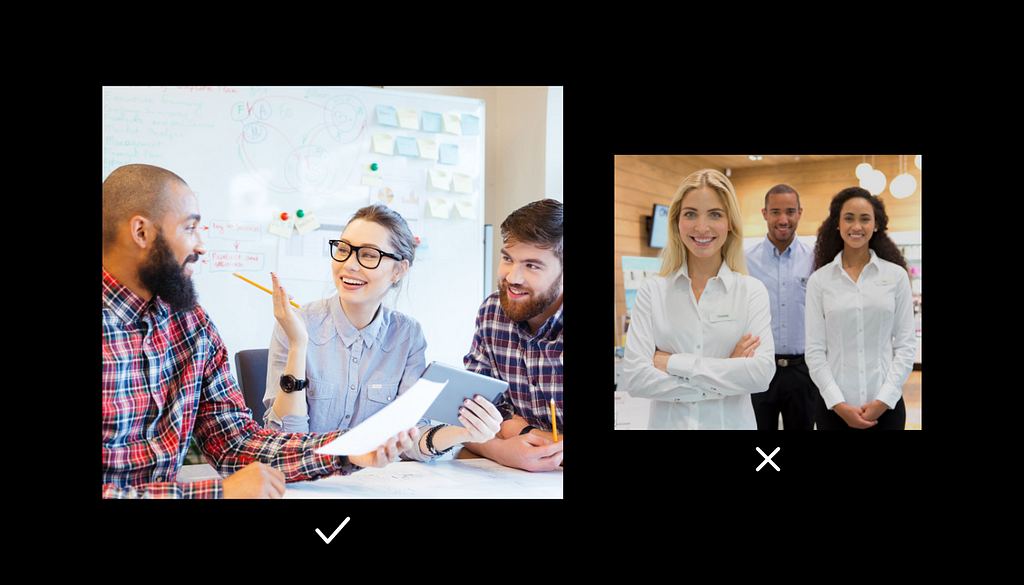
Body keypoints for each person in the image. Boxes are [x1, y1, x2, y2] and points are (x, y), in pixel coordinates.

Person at [102, 164, 417, 499]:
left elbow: (235, 443)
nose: (202, 246)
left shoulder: (190, 325)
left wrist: (346, 451)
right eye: (190, 228)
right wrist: (217, 494)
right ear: (141, 233)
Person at [264, 203, 503, 460]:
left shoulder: (408, 336)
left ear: (399, 271)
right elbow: (285, 442)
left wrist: (463, 433)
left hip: (374, 482)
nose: (350, 265)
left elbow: (408, 437)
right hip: (307, 481)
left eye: (368, 255)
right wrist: (299, 345)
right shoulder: (297, 325)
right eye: (343, 250)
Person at [621, 169, 775, 429]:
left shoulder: (751, 291)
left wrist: (671, 362)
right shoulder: (653, 291)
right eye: (690, 213)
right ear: (676, 222)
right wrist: (727, 373)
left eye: (715, 214)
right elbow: (636, 379)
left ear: (730, 223)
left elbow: (759, 376)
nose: (701, 227)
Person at [460, 199, 563, 471]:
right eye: (507, 258)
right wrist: (505, 450)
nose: (512, 277)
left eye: (532, 265)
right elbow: (467, 420)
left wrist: (520, 429)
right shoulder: (493, 311)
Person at [804, 187, 915, 430]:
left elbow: (906, 345)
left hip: (887, 408)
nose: (857, 226)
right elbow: (814, 351)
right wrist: (838, 403)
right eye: (849, 218)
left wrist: (884, 400)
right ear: (837, 224)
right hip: (834, 410)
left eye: (865, 219)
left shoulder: (895, 276)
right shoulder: (820, 281)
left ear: (876, 224)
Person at [745, 184, 819, 430]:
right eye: (775, 212)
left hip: (805, 370)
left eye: (790, 211)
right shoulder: (744, 261)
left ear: (800, 212)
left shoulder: (817, 260)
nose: (783, 219)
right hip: (758, 367)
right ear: (765, 213)